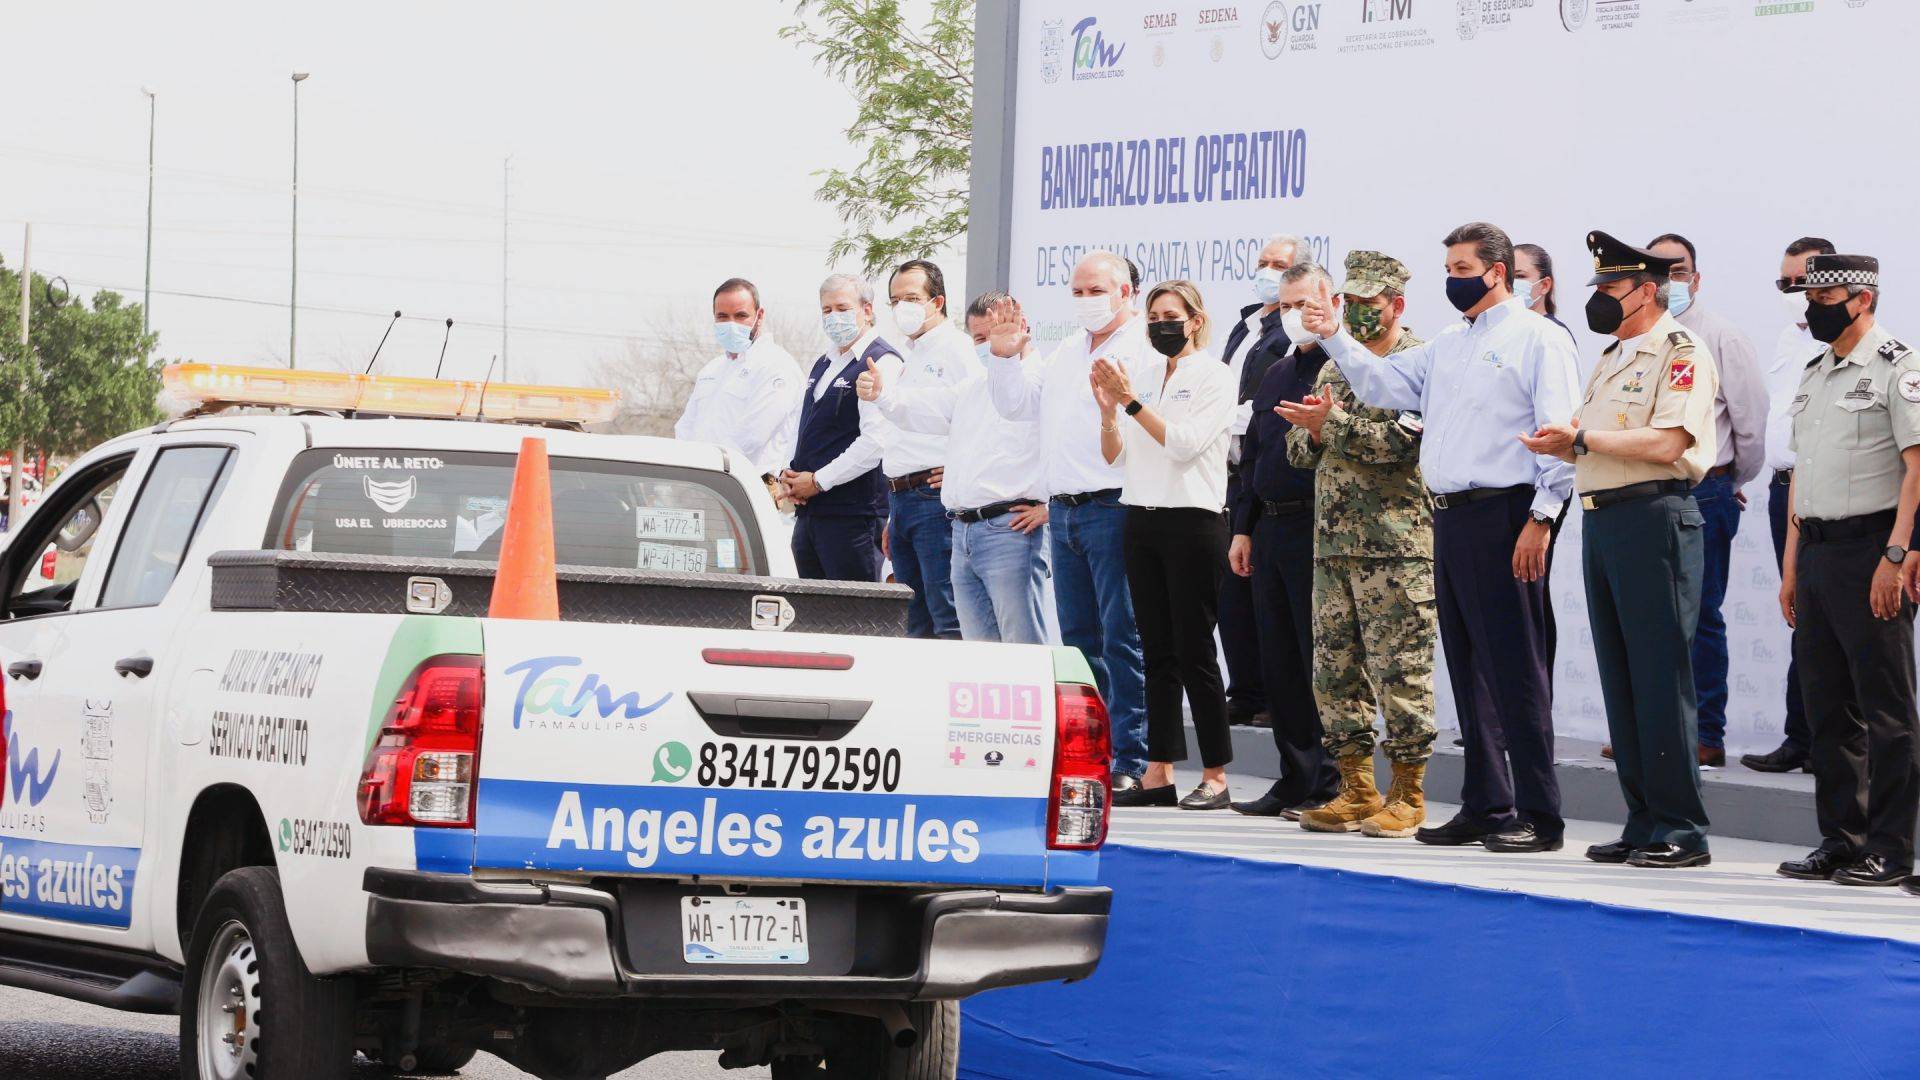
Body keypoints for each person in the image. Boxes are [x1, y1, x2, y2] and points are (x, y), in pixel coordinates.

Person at [1299, 222, 1580, 854]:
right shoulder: (1450, 343)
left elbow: (1558, 433)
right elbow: (1381, 383)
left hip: (1507, 514)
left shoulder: (1539, 337)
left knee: (1516, 670)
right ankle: (1487, 803)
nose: (1452, 281)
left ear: (1497, 272)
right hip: (1448, 516)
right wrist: (1334, 335)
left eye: (1462, 270)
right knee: (1469, 668)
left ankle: (1541, 814)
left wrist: (1543, 518)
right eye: (1448, 270)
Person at [1522, 231, 1720, 869]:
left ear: (1647, 291)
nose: (1601, 297)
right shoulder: (1612, 355)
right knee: (1622, 677)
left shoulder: (1680, 351)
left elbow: (1668, 443)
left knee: (1661, 677)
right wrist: (1565, 443)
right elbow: (1593, 437)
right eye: (1599, 286)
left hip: (1654, 517)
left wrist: (1580, 441)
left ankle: (1682, 828)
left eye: (1612, 287)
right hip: (1604, 518)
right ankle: (1643, 821)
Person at [1774, 254, 1920, 889]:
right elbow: (1801, 475)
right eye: (1809, 298)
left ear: (1862, 299)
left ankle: (1890, 847)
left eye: (1825, 299)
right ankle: (1842, 840)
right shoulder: (1816, 372)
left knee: (1886, 709)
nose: (1813, 309)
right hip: (1817, 552)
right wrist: (1790, 567)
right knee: (1827, 707)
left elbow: (1918, 469)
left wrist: (1897, 555)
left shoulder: (1898, 367)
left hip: (1871, 550)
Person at [1280, 251, 1437, 838]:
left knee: (1401, 672)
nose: (1360, 313)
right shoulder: (1334, 367)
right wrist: (1314, 430)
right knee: (1334, 672)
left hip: (1395, 547)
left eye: (1371, 304)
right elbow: (1299, 451)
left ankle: (1408, 793)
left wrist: (1332, 426)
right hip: (1333, 547)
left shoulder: (1419, 362)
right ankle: (1356, 789)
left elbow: (1401, 444)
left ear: (1396, 305)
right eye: (1352, 303)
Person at [986, 251, 1149, 790]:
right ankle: (1089, 752)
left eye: (1096, 291)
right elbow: (1016, 408)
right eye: (1077, 292)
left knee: (1122, 635)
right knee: (1079, 640)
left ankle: (1130, 757)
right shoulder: (1065, 352)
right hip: (1066, 511)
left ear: (1126, 291)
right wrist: (1004, 356)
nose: (1085, 301)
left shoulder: (1144, 346)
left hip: (1116, 504)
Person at [1090, 279, 1236, 810]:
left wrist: (1128, 401)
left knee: (1195, 651)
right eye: (1152, 318)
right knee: (1155, 652)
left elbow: (1184, 445)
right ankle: (1159, 771)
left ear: (1195, 321)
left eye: (1170, 317)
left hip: (1193, 521)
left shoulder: (1214, 375)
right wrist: (1109, 412)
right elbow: (1115, 455)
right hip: (1142, 519)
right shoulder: (1147, 376)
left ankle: (1216, 776)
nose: (1160, 326)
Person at [858, 292, 1049, 643]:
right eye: (979, 338)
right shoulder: (973, 387)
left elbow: (1071, 446)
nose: (988, 345)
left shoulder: (1043, 380)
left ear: (1021, 327)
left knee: (1022, 646)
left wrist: (1050, 508)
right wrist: (883, 394)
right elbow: (922, 408)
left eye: (994, 333)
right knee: (976, 648)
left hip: (1010, 530)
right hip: (963, 531)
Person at [1647, 233, 1766, 769]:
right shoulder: (1637, 337)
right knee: (1648, 616)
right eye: (1658, 270)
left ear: (1696, 278)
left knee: (1700, 616)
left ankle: (1704, 733)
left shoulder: (1721, 337)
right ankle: (1653, 730)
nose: (1670, 280)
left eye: (1678, 270)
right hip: (1645, 493)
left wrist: (1726, 477)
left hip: (1704, 491)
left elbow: (1750, 423)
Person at [1227, 263, 1342, 819]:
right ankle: (1294, 778)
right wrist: (1243, 527)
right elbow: (1254, 455)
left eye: (1306, 304)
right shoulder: (1275, 372)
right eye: (1288, 305)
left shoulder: (1346, 368)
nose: (1296, 315)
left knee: (1321, 657)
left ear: (1332, 304)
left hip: (1322, 526)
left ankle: (1332, 781)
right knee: (1279, 660)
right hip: (1269, 526)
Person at [1743, 236, 1837, 774]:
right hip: (1785, 490)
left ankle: (1832, 742)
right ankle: (1801, 737)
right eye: (1785, 282)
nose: (1792, 292)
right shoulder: (1788, 337)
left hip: (1828, 494)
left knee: (1831, 621)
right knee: (1801, 613)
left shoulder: (1844, 342)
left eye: (1802, 282)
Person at [1218, 234, 1312, 728]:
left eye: (1279, 264)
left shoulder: (1292, 339)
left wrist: (1223, 419)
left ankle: (1276, 702)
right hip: (1235, 475)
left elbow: (1265, 411)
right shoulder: (1246, 325)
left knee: (1280, 610)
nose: (1268, 272)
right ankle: (1246, 691)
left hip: (1284, 484)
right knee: (1235, 596)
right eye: (1263, 262)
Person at [881, 259, 979, 639]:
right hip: (901, 498)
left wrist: (959, 468)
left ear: (937, 302)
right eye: (895, 300)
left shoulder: (959, 349)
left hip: (933, 498)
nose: (901, 308)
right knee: (911, 618)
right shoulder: (907, 354)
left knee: (946, 614)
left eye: (911, 298)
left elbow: (979, 418)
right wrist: (893, 514)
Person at [781, 273, 901, 582]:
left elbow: (875, 443)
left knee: (853, 608)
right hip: (811, 513)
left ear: (867, 310)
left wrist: (818, 481)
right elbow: (806, 426)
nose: (833, 317)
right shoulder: (824, 362)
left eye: (842, 308)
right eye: (827, 310)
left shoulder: (880, 361)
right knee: (810, 607)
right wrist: (791, 475)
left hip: (853, 518)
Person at [675, 278, 803, 481]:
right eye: (723, 316)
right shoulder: (712, 369)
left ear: (759, 315)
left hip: (749, 484)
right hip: (701, 480)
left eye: (740, 315)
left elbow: (752, 436)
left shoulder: (777, 365)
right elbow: (686, 427)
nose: (731, 324)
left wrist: (706, 468)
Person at [1513, 243, 1577, 347]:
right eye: (1508, 276)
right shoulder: (1505, 330)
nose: (1511, 283)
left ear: (1544, 285)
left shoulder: (1553, 335)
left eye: (1520, 276)